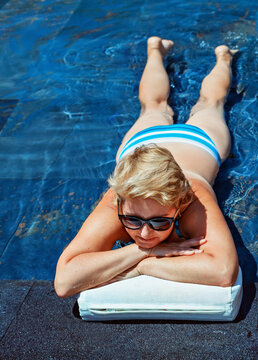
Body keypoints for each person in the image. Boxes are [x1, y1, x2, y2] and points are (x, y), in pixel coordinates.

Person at [54, 37, 239, 298]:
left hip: (197, 142)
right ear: (120, 203)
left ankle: (224, 57)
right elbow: (64, 282)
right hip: (144, 146)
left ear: (179, 204)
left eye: (160, 221)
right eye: (132, 219)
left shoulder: (193, 196)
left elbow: (223, 271)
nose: (144, 233)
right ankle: (156, 50)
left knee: (190, 105)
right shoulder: (119, 197)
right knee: (202, 105)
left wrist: (142, 267)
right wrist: (143, 253)